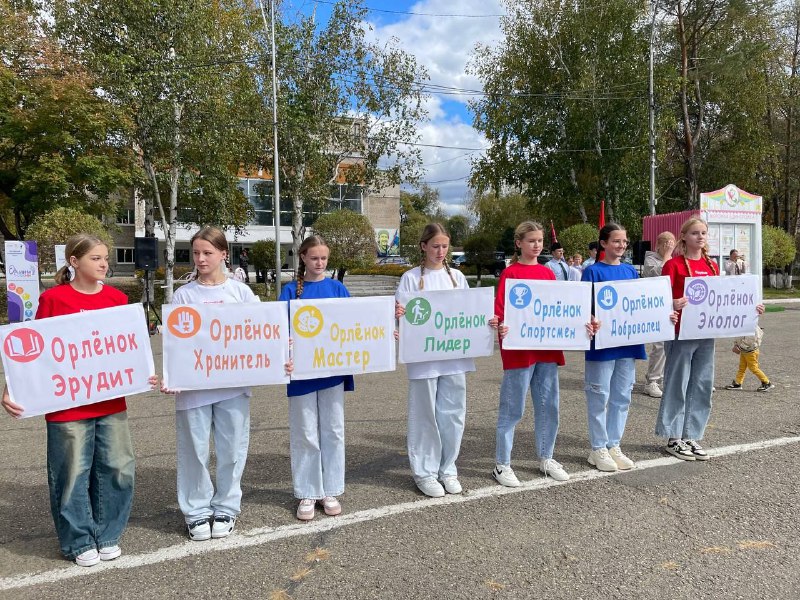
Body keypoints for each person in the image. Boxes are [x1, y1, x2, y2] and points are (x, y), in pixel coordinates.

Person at [1, 234, 156, 567]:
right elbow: (34, 352)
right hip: (67, 405)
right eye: (96, 258)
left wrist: (145, 372)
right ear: (74, 261)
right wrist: (11, 387)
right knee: (71, 473)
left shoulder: (116, 298)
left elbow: (129, 348)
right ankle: (78, 540)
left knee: (118, 468)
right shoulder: (54, 299)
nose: (103, 264)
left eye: (105, 258)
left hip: (111, 400)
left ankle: (108, 534)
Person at [170, 226, 260, 541]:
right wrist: (173, 374)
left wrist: (275, 362)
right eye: (196, 253)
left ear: (224, 254)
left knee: (232, 450)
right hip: (194, 388)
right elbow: (176, 343)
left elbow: (261, 336)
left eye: (208, 252)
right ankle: (196, 512)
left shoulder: (241, 293)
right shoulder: (184, 294)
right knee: (194, 451)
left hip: (233, 386)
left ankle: (226, 507)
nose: (200, 259)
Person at [395, 224, 499, 497]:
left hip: (454, 356)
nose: (440, 252)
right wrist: (397, 313)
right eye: (435, 246)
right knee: (425, 415)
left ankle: (448, 468)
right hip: (424, 358)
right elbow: (400, 316)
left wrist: (486, 321)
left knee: (452, 415)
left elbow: (470, 314)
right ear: (423, 246)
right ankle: (425, 472)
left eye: (444, 246)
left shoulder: (457, 277)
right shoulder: (409, 278)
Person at [493, 221, 597, 486]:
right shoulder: (511, 274)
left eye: (539, 241)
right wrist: (500, 325)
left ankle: (546, 457)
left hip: (547, 350)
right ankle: (502, 464)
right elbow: (500, 310)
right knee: (512, 407)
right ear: (519, 243)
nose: (536, 245)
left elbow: (561, 308)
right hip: (519, 352)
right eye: (531, 241)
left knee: (548, 406)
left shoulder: (548, 274)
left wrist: (583, 322)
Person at [656, 218, 765, 460]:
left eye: (703, 233)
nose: (700, 237)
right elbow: (659, 300)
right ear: (684, 236)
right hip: (681, 334)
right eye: (695, 233)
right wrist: (671, 303)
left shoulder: (712, 266)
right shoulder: (673, 265)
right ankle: (673, 437)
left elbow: (725, 301)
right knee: (678, 383)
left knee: (702, 384)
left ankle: (691, 434)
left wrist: (750, 308)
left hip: (705, 335)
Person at [279, 235, 353, 521]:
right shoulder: (290, 291)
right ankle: (308, 491)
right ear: (303, 258)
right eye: (314, 258)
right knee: (306, 432)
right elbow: (279, 331)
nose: (319, 263)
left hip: (332, 371)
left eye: (323, 258)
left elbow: (354, 327)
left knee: (333, 430)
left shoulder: (337, 288)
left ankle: (330, 489)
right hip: (301, 374)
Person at [581, 224, 663, 472]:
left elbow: (641, 304)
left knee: (621, 396)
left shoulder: (630, 271)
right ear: (603, 243)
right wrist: (590, 318)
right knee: (599, 395)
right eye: (616, 241)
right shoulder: (592, 272)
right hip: (602, 344)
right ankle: (597, 448)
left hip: (627, 343)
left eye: (625, 241)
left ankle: (613, 444)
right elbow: (581, 306)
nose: (622, 245)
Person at [641, 232, 676, 398]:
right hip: (656, 305)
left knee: (673, 344)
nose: (671, 248)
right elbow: (661, 273)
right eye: (668, 245)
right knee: (660, 344)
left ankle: (665, 378)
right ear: (660, 245)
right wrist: (668, 255)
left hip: (672, 304)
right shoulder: (651, 259)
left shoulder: (672, 259)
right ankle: (652, 381)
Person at [724, 326, 775, 392]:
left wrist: (739, 347)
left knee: (753, 368)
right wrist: (736, 344)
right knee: (742, 368)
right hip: (744, 350)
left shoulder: (752, 327)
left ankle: (766, 383)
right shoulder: (743, 324)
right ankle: (738, 383)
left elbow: (750, 340)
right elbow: (738, 336)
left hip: (750, 351)